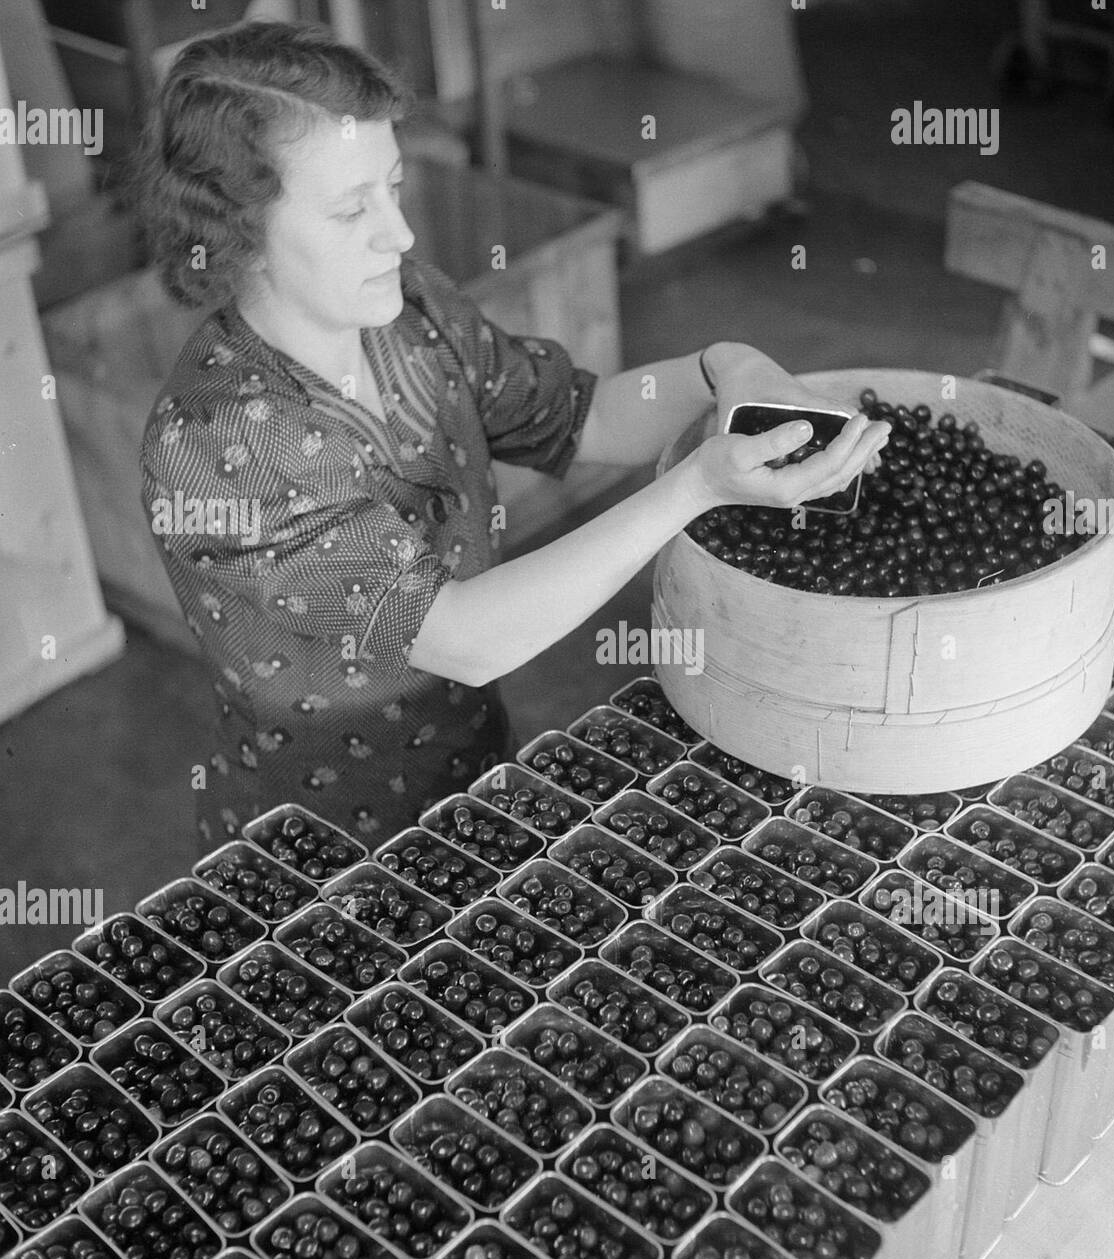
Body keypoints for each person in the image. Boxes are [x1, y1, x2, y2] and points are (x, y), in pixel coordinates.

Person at [133, 20, 887, 848]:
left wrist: (719, 368)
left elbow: (583, 414)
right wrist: (697, 486)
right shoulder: (222, 442)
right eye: (352, 209)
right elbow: (463, 638)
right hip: (316, 853)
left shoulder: (409, 311)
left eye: (393, 185)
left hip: (473, 782)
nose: (400, 232)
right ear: (238, 236)